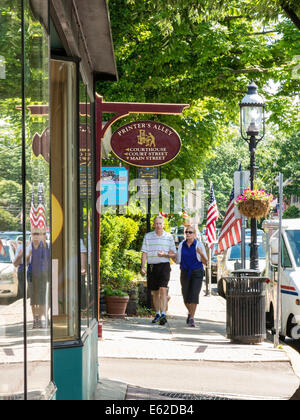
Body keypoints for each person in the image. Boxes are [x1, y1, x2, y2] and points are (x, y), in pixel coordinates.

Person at [141, 216, 176, 325]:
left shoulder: (169, 237)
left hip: (164, 266)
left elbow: (174, 254)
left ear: (163, 225)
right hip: (152, 266)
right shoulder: (148, 236)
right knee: (155, 291)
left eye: (160, 223)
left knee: (163, 289)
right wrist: (142, 266)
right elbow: (144, 252)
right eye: (156, 223)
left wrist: (164, 254)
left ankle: (164, 314)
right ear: (153, 224)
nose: (158, 225)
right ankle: (157, 313)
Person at [177, 225, 208, 327]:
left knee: (194, 295)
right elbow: (177, 260)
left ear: (194, 234)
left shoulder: (199, 245)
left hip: (197, 272)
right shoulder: (182, 245)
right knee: (185, 295)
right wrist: (166, 255)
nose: (188, 234)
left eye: (190, 232)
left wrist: (200, 253)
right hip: (185, 272)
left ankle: (191, 318)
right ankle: (190, 312)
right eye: (187, 232)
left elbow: (205, 262)